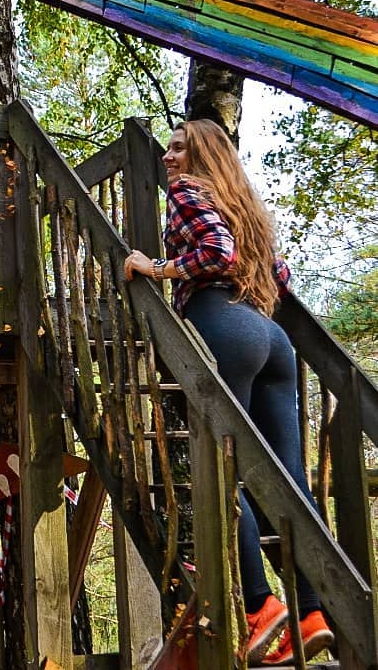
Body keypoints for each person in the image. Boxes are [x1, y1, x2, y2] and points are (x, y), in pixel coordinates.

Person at [123, 118, 334, 665]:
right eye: (166, 150)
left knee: (220, 471)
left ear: (200, 156)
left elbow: (217, 252)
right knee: (288, 480)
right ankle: (312, 611)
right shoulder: (241, 200)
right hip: (271, 338)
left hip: (221, 324)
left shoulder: (188, 191)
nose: (168, 159)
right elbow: (277, 271)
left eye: (178, 149)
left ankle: (263, 607)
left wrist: (157, 266)